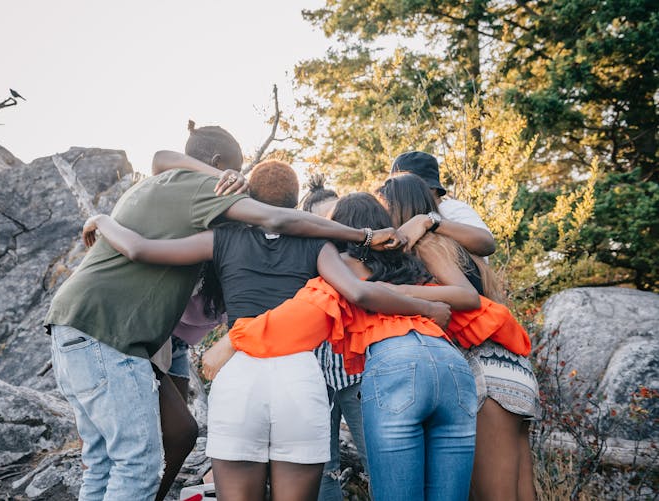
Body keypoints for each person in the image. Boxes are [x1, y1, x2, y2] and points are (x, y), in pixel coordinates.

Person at [45, 122, 403, 500]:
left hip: (90, 330)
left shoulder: (185, 206)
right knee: (135, 464)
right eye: (237, 168)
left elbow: (154, 190)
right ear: (219, 163)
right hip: (286, 374)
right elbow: (304, 243)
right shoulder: (220, 197)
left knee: (104, 463)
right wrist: (365, 239)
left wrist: (103, 220)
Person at [208, 192, 482, 501]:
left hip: (397, 364)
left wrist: (233, 338)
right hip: (451, 363)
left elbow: (294, 318)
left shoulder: (339, 270)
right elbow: (470, 294)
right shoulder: (415, 260)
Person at [378, 173, 540, 501]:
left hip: (486, 373)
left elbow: (465, 294)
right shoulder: (458, 246)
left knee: (495, 495)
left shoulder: (428, 245)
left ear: (397, 208)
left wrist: (393, 291)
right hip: (510, 366)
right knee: (523, 491)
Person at [300, 175, 369, 501]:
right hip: (313, 373)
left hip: (355, 371)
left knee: (374, 453)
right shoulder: (303, 256)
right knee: (321, 463)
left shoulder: (359, 260)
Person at [389, 151, 495, 258]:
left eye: (407, 188)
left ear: (433, 189)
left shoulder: (450, 208)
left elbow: (487, 243)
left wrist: (430, 222)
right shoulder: (399, 218)